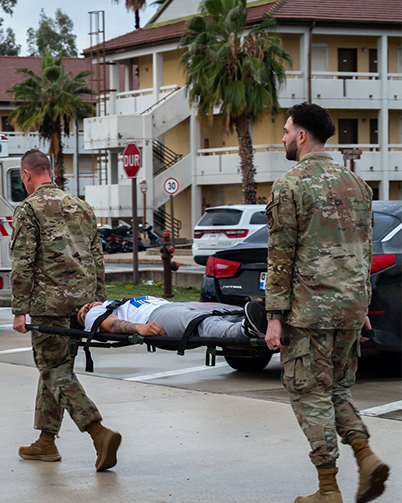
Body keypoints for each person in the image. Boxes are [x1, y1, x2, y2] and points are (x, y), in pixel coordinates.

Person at [264, 102, 390, 503]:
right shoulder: (357, 185)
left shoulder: (290, 185)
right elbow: (363, 253)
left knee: (309, 394)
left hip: (309, 312)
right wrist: (364, 308)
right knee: (335, 390)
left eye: (285, 131)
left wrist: (274, 317)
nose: (282, 138)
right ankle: (365, 455)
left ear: (301, 136)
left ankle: (328, 489)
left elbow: (280, 256)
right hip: (351, 309)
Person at [10, 149, 121, 472]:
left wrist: (19, 309)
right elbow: (97, 258)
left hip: (49, 306)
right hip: (82, 305)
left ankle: (98, 431)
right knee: (56, 370)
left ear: (27, 175)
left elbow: (23, 263)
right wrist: (97, 303)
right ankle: (46, 441)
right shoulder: (82, 207)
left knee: (54, 370)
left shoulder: (29, 209)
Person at [77, 297, 267, 340]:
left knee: (224, 310)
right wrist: (137, 328)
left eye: (87, 305)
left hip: (173, 305)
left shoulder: (117, 302)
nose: (88, 307)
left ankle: (265, 320)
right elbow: (108, 325)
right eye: (83, 311)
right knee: (199, 322)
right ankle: (244, 330)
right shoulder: (97, 312)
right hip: (155, 316)